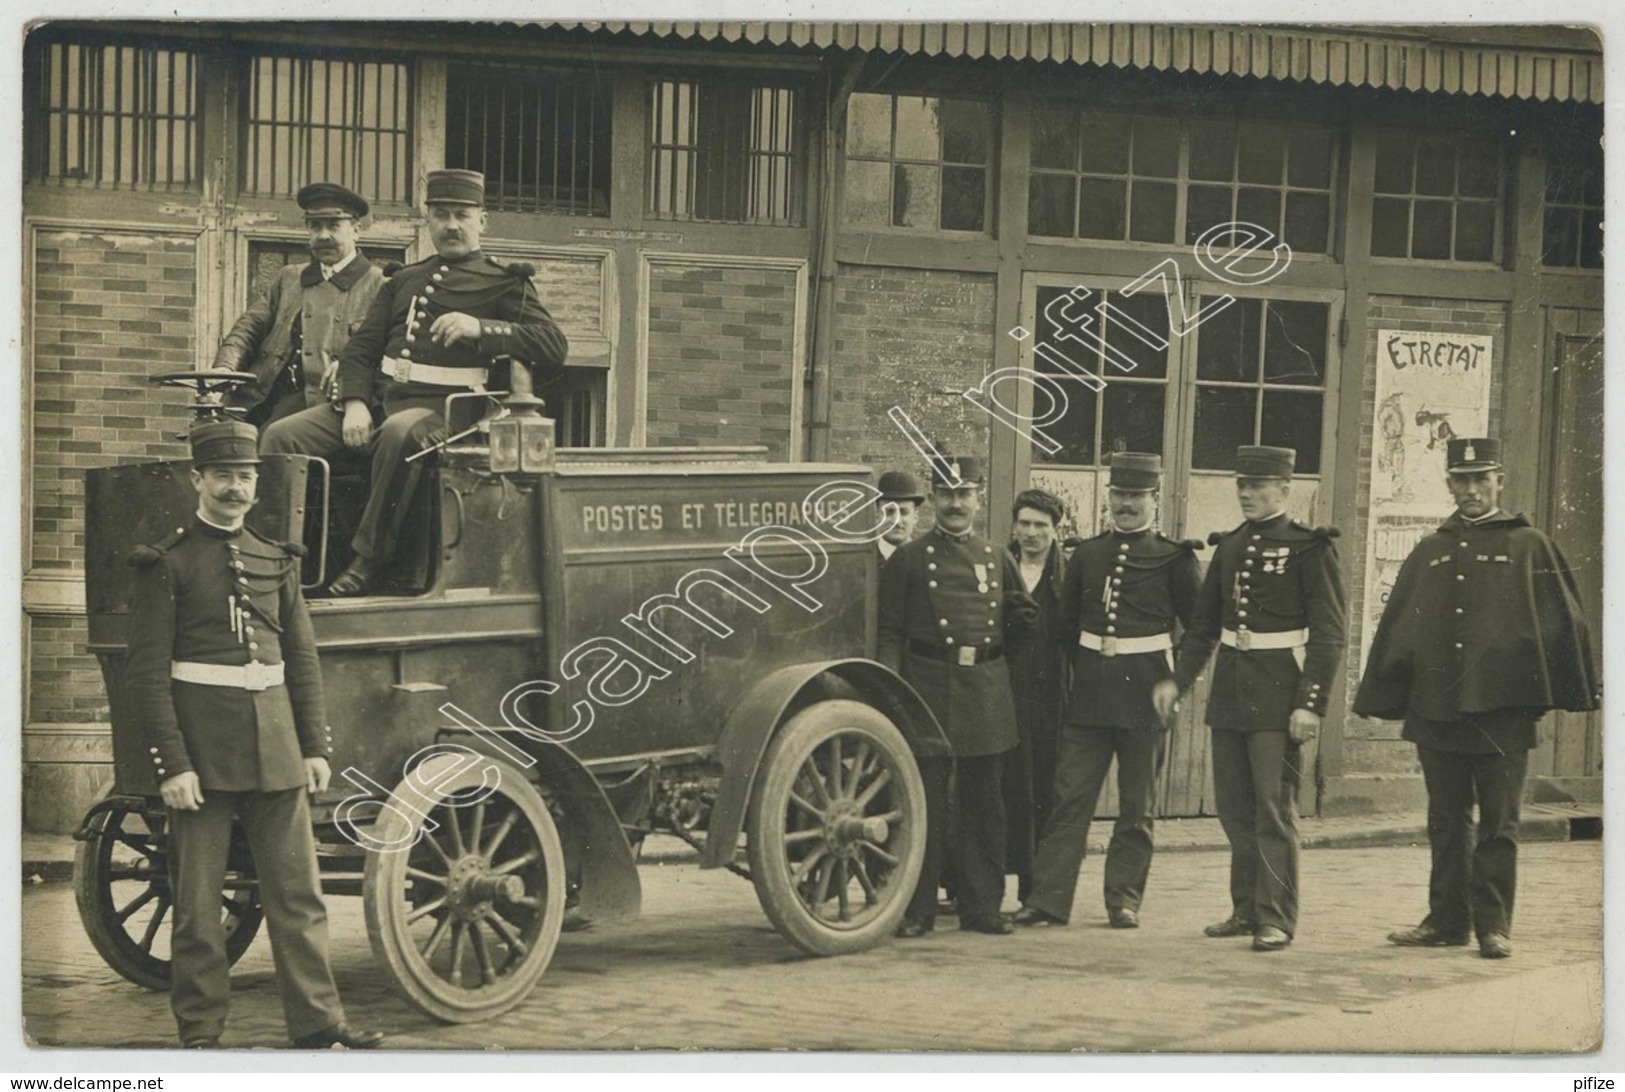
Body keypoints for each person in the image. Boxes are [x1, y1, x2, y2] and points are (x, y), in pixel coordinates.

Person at [122, 418, 384, 1050]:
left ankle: (320, 1024)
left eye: (244, 477)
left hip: (277, 752)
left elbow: (302, 660)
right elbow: (148, 676)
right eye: (222, 477)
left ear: (257, 485)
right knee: (197, 906)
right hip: (203, 759)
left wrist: (314, 747)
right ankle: (202, 1032)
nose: (234, 489)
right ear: (198, 480)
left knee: (299, 898)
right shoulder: (168, 563)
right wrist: (173, 765)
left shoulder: (275, 559)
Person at [262, 169, 569, 596]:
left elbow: (553, 345)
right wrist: (353, 403)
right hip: (378, 398)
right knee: (281, 436)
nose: (451, 225)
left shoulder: (505, 281)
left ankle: (368, 559)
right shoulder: (404, 279)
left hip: (447, 409)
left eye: (461, 215)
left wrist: (481, 328)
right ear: (428, 220)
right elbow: (363, 349)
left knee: (398, 433)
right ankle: (273, 559)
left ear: (482, 221)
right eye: (441, 215)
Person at [1353, 437, 1598, 960]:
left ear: (1499, 481)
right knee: (1445, 821)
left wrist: (1542, 693)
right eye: (1460, 480)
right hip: (1437, 716)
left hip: (1503, 716)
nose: (1470, 489)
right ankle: (1445, 921)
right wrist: (1392, 694)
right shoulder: (1431, 550)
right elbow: (1401, 629)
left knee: (1499, 825)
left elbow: (1563, 625)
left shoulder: (1530, 545)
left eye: (1480, 478)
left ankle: (1493, 926)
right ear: (1449, 484)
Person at [1153, 445, 1345, 952]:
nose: (1247, 493)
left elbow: (1328, 635)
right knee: (1235, 808)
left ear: (1285, 489)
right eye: (1241, 484)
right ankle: (1245, 908)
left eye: (1258, 486)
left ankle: (1276, 916)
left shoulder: (1310, 548)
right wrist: (1178, 680)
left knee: (1272, 808)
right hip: (1232, 693)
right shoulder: (1231, 545)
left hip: (1280, 694)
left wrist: (1310, 703)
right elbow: (1203, 628)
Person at [1014, 453, 1200, 930]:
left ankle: (1124, 899)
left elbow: (1201, 629)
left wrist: (1174, 683)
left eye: (1136, 496)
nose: (1126, 505)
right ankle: (1048, 900)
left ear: (1153, 500)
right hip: (1091, 698)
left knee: (1136, 807)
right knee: (1068, 799)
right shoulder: (1088, 555)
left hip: (1145, 697)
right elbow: (1064, 626)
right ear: (1109, 498)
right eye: (1119, 495)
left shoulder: (1174, 559)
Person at [878, 456, 1037, 937]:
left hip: (984, 689)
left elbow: (1021, 623)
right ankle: (917, 908)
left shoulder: (996, 557)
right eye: (946, 494)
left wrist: (1018, 634)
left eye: (964, 493)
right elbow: (889, 632)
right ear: (934, 500)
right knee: (923, 802)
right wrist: (892, 690)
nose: (955, 503)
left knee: (984, 803)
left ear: (978, 497)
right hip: (926, 687)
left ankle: (983, 906)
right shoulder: (909, 560)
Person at [213, 183, 387, 427]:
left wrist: (350, 368)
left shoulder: (380, 285)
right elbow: (249, 327)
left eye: (334, 226)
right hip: (262, 395)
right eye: (315, 226)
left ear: (356, 230)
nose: (323, 236)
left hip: (326, 403)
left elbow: (388, 354)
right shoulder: (289, 278)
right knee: (212, 438)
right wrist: (225, 367)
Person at [1002, 487, 1069, 903]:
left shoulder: (1068, 576)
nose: (1031, 533)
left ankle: (1036, 890)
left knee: (1045, 790)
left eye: (1040, 526)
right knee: (1003, 789)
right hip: (1004, 693)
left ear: (1054, 531)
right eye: (1024, 523)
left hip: (1051, 697)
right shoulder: (998, 565)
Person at [875, 469, 926, 561]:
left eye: (904, 512)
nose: (896, 521)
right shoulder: (862, 561)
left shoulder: (926, 560)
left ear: (915, 517)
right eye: (889, 512)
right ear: (877, 516)